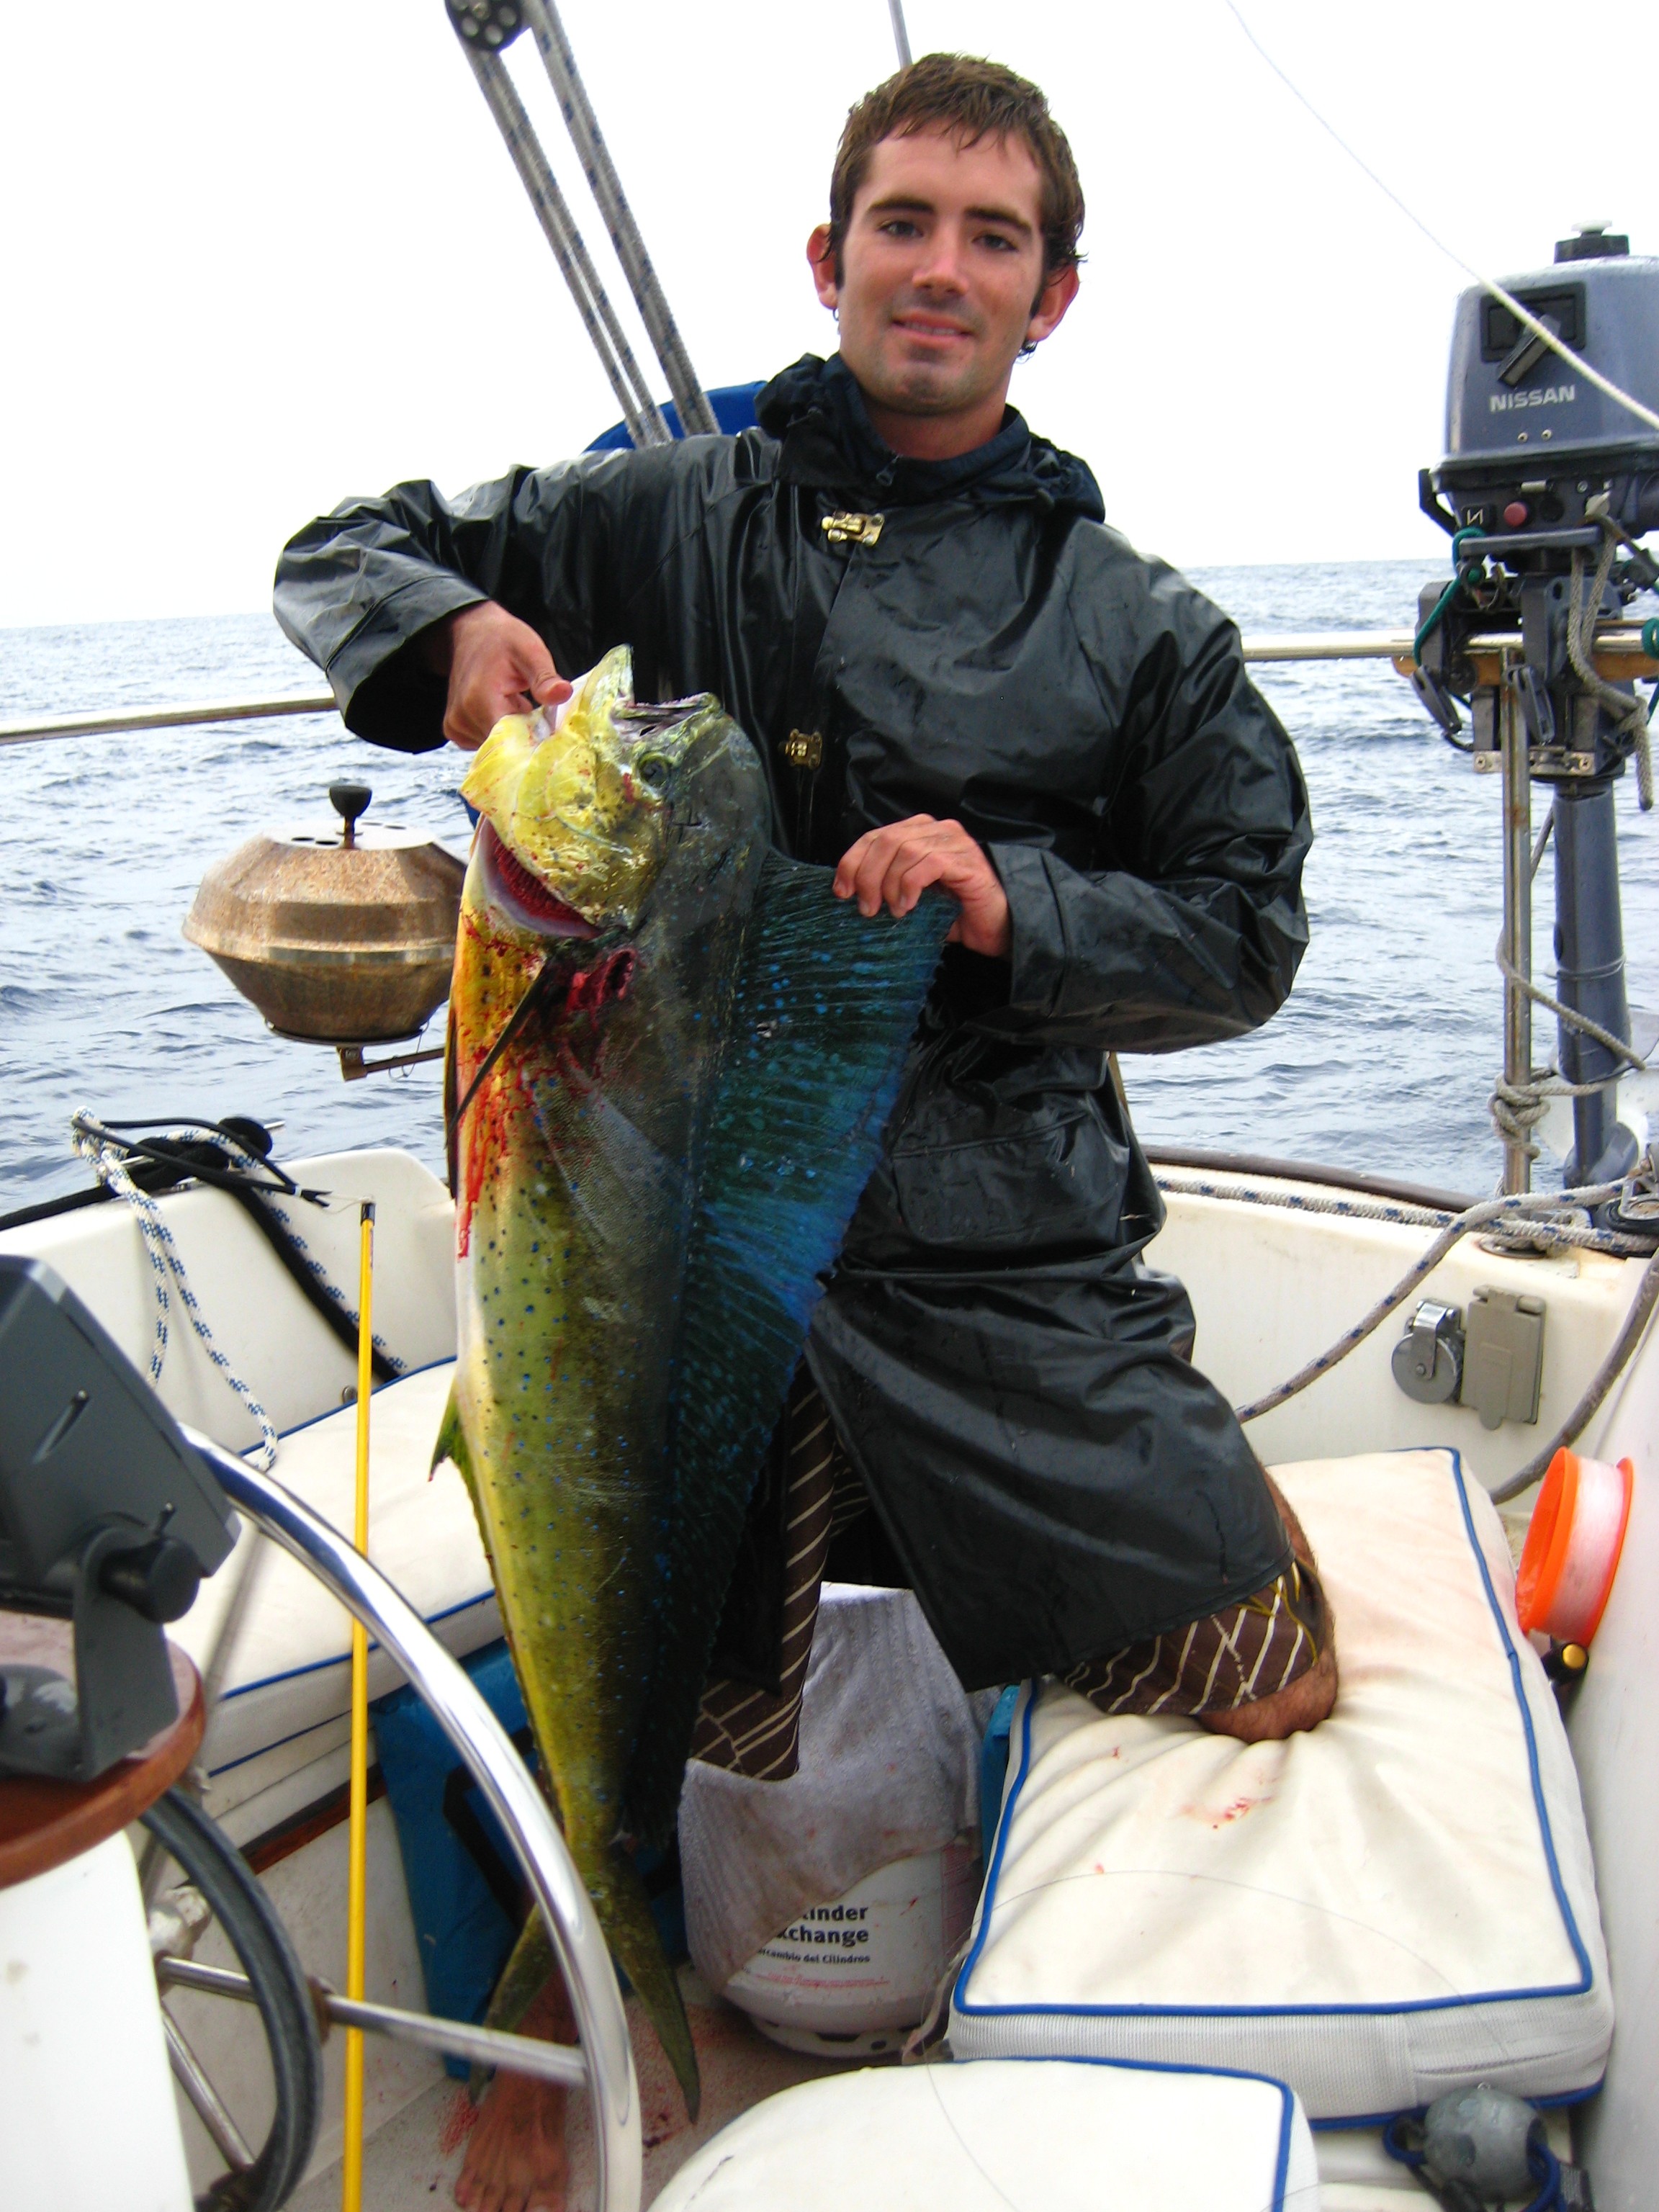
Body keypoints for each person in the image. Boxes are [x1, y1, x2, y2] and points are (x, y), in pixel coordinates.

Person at [276, 53, 1331, 2212]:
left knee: (1268, 1680)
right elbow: (338, 550)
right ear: (829, 256)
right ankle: (579, 1978)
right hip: (663, 1251)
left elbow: (1247, 931)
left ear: (1052, 296)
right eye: (904, 223)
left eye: (991, 237)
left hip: (987, 1266)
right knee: (631, 1662)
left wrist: (1012, 901)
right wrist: (448, 624)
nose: (940, 268)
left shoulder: (1133, 620)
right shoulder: (659, 510)